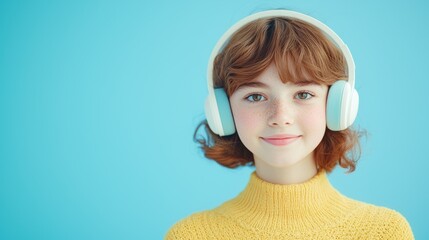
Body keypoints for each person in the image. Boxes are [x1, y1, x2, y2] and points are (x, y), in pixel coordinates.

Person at [165, 9, 414, 239]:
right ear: (223, 111)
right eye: (255, 96)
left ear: (336, 106)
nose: (280, 116)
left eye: (303, 94)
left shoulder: (384, 231)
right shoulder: (191, 235)